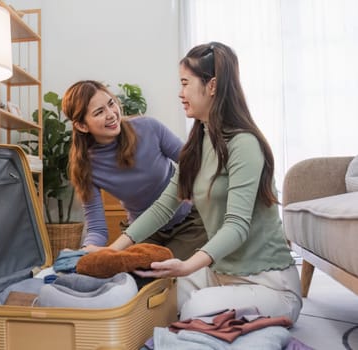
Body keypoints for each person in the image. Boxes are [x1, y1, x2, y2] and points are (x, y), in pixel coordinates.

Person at [106, 42, 303, 323]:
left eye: (185, 83)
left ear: (212, 86)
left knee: (193, 309)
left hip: (268, 283)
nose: (180, 93)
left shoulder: (244, 144)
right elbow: (163, 207)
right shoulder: (198, 143)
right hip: (220, 275)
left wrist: (187, 266)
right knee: (154, 299)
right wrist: (112, 251)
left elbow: (236, 226)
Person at [61, 80, 208, 260]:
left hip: (189, 223)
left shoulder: (148, 128)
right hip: (143, 232)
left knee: (167, 271)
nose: (111, 114)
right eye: (99, 112)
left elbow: (194, 164)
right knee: (137, 275)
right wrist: (86, 251)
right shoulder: (86, 167)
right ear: (82, 126)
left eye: (111, 104)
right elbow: (97, 228)